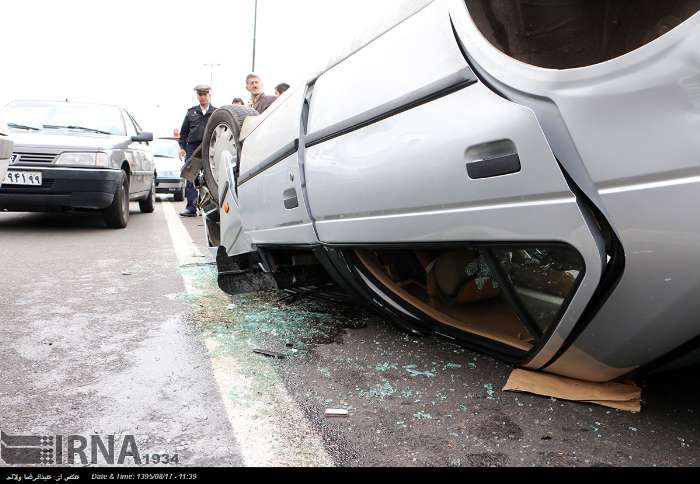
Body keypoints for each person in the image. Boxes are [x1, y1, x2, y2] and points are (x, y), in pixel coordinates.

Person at [178, 85, 216, 218]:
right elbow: (183, 133)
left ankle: (210, 209)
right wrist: (182, 148)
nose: (203, 97)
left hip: (209, 148)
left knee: (210, 178)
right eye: (200, 94)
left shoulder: (216, 112)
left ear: (209, 95)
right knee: (190, 178)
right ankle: (191, 208)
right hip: (192, 149)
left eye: (205, 94)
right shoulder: (191, 113)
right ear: (197, 96)